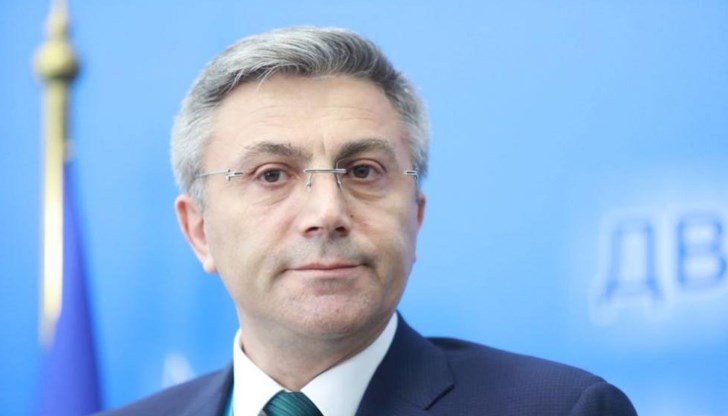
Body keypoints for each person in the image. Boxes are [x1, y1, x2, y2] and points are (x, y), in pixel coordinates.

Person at [100, 27, 637, 416]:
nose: (327, 213)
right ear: (199, 230)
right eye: (272, 175)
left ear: (415, 215)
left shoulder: (559, 409)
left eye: (362, 171)